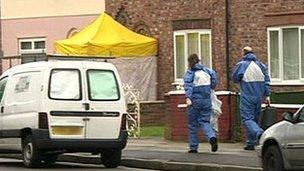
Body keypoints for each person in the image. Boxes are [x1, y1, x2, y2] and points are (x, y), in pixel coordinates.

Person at [232, 46, 271, 150]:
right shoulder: (261, 66)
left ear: (243, 54)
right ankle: (250, 143)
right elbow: (267, 82)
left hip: (247, 96)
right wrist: (267, 96)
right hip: (259, 97)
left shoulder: (241, 65)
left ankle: (259, 133)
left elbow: (235, 78)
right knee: (254, 119)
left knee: (247, 119)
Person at [183, 53, 219, 153]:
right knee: (205, 122)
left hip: (195, 101)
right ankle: (211, 137)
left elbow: (188, 87)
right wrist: (210, 89)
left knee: (193, 125)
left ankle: (193, 147)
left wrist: (188, 98)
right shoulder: (207, 71)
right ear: (198, 61)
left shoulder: (190, 73)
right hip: (207, 101)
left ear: (189, 62)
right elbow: (214, 81)